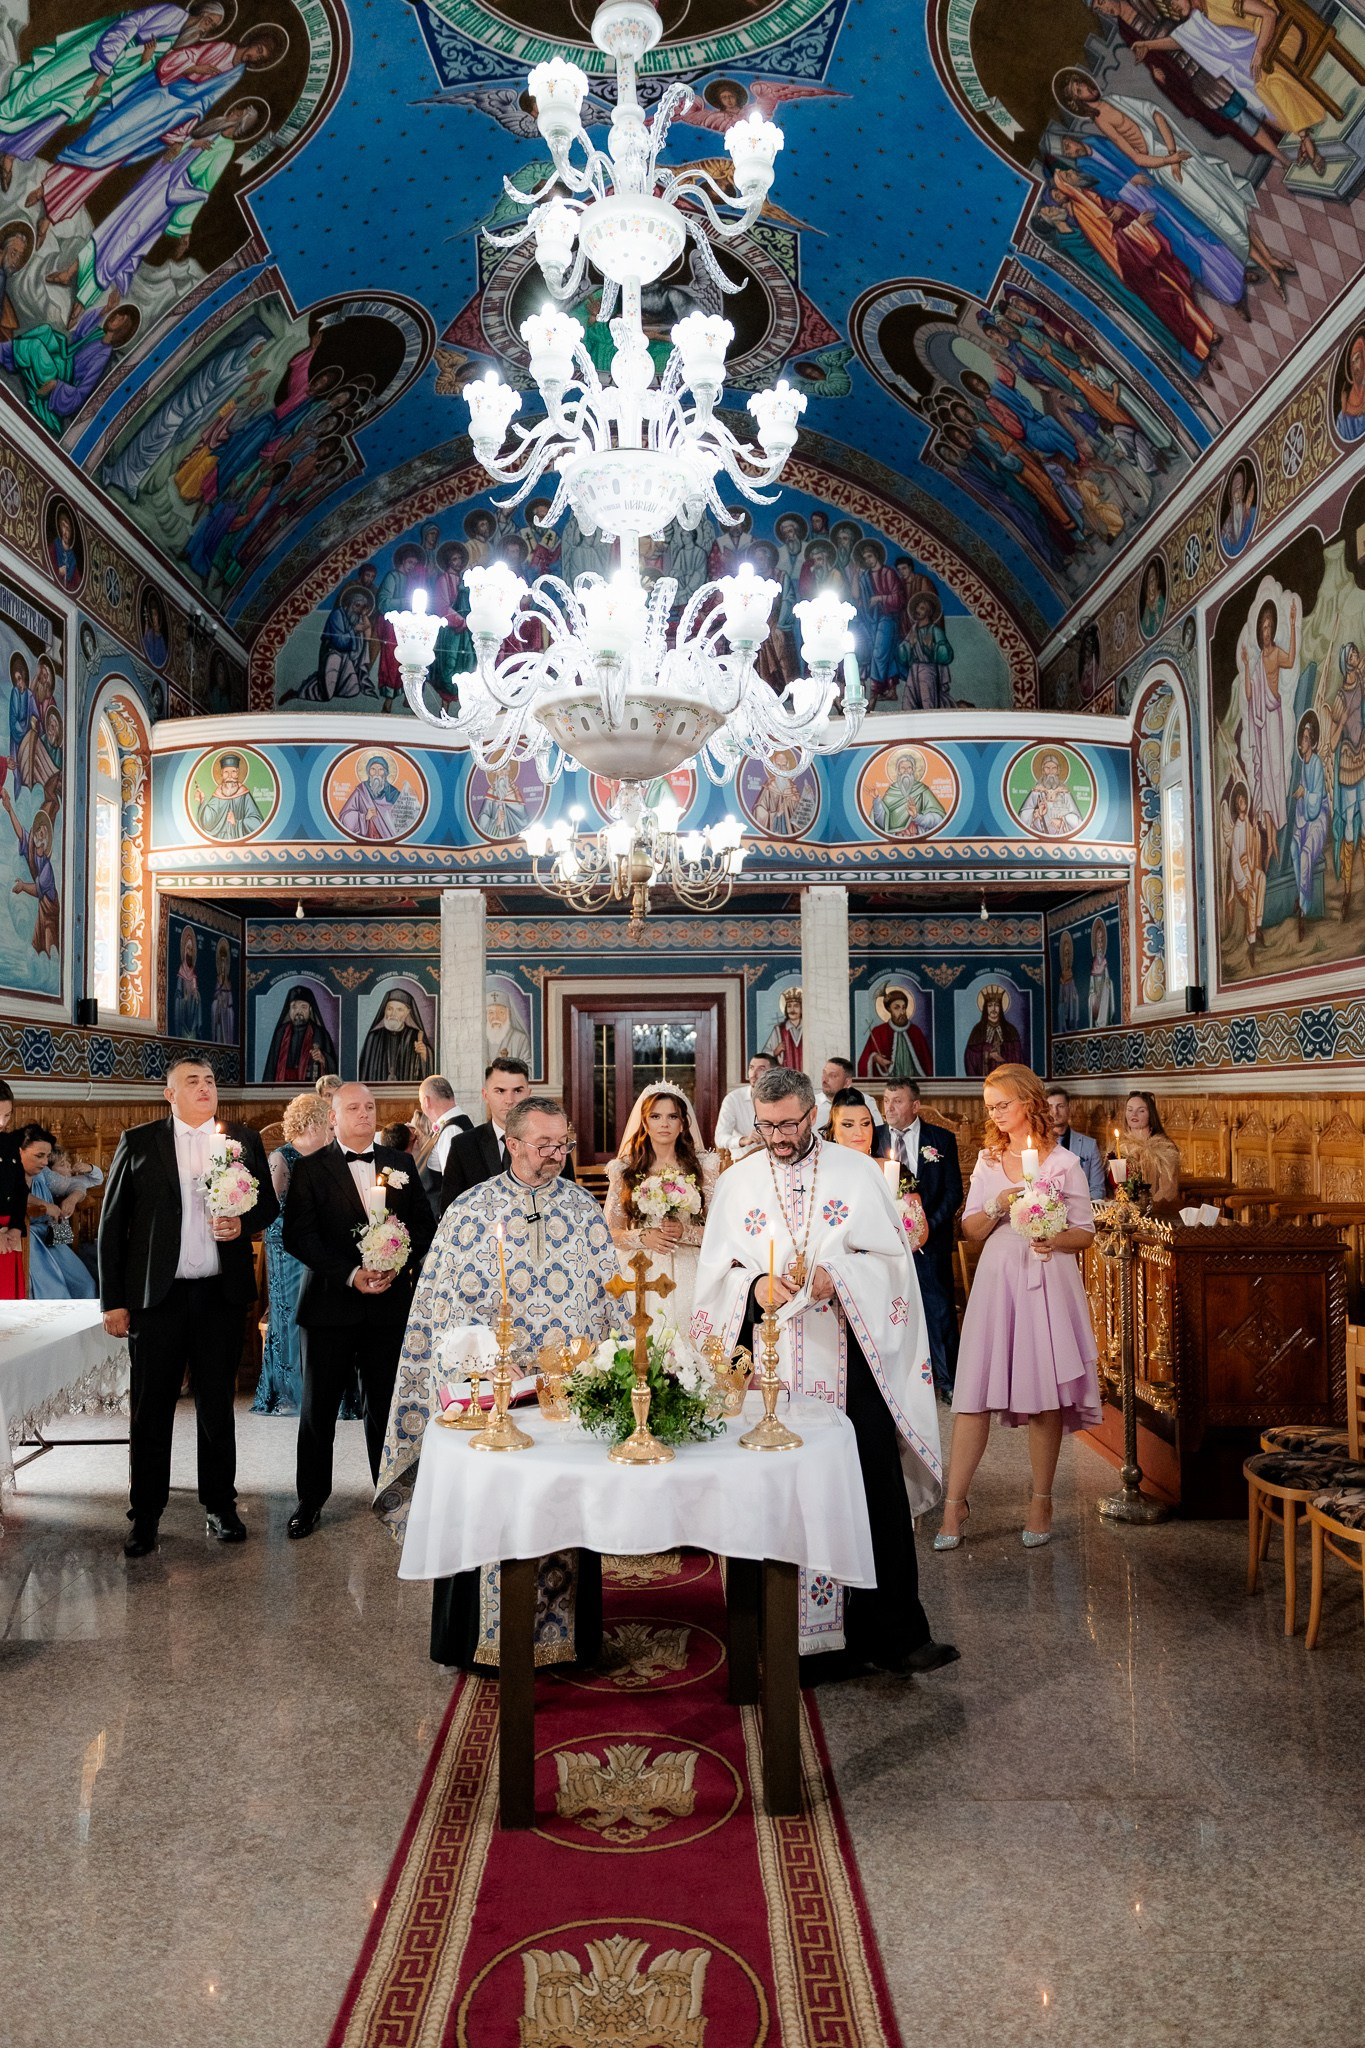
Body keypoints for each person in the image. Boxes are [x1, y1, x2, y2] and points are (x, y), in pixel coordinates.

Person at [693, 1066, 955, 1682]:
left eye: (789, 1124)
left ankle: (894, 1634)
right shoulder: (736, 1183)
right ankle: (779, 1639)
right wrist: (755, 1284)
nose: (779, 1137)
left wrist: (839, 1276)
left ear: (812, 1114)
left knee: (872, 1486)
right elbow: (715, 1274)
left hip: (850, 1356)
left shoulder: (857, 1174)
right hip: (770, 1364)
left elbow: (893, 1265)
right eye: (767, 1126)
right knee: (773, 1492)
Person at [376, 1096, 619, 1671]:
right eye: (544, 1145)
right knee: (495, 1507)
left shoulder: (584, 1209)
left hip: (564, 1399)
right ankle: (479, 1643)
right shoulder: (470, 1211)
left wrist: (596, 1362)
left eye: (563, 1144)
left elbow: (609, 1300)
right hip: (493, 1400)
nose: (556, 1155)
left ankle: (569, 1643)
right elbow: (441, 1310)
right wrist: (485, 1360)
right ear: (511, 1143)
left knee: (562, 1504)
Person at [98, 1054, 277, 1557]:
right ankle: (145, 1514)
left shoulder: (241, 1139)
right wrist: (114, 1301)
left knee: (217, 1406)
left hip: (219, 1294)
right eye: (192, 1081)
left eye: (210, 1080)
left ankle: (220, 1504)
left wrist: (242, 1222)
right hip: (159, 1298)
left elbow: (267, 1204)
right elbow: (113, 1225)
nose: (204, 1087)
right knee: (151, 1409)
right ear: (170, 1094)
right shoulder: (140, 1142)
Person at [937, 1065, 1100, 1552]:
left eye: (1002, 1104)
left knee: (1043, 1395)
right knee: (973, 1393)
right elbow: (970, 1231)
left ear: (1029, 1102)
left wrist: (1054, 1237)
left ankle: (1041, 1501)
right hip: (998, 1278)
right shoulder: (988, 1160)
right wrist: (998, 1204)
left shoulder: (1065, 1163)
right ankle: (954, 1504)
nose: (995, 1114)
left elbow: (1084, 1232)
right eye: (990, 1107)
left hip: (1047, 1278)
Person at [281, 1082, 435, 1539]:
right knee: (318, 1409)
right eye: (353, 1107)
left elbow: (423, 1226)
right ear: (333, 1117)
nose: (365, 1114)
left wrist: (395, 1263)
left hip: (387, 1304)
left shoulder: (400, 1163)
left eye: (370, 1106)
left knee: (385, 1406)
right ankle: (310, 1499)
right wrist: (351, 1274)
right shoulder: (310, 1168)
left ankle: (390, 1493)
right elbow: (299, 1236)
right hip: (329, 1305)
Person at [605, 1087, 718, 1336]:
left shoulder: (703, 1167)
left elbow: (719, 1232)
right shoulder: (625, 1169)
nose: (664, 1124)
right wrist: (643, 1236)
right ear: (644, 1122)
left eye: (672, 1116)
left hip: (690, 1265)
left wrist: (684, 1231)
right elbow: (609, 1233)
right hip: (639, 1266)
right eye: (655, 1116)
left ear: (683, 1124)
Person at [879, 1080, 964, 1399]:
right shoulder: (874, 1137)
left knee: (939, 1311)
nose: (889, 1107)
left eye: (897, 1101)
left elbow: (953, 1191)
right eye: (886, 1100)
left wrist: (925, 1228)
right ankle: (891, 1382)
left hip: (930, 1243)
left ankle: (949, 1382)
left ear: (915, 1106)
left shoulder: (940, 1139)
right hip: (884, 1244)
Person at [252, 1092, 332, 1416]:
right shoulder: (282, 1156)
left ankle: (319, 1388)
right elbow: (270, 1208)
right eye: (327, 1122)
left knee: (319, 1315)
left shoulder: (328, 1155)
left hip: (319, 1245)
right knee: (291, 1314)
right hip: (286, 1247)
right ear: (312, 1122)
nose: (331, 1129)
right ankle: (289, 1391)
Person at [439, 1056, 577, 1209]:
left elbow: (568, 1198)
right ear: (485, 1095)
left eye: (518, 1090)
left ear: (528, 1094)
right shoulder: (463, 1145)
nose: (509, 1100)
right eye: (500, 1091)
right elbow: (450, 1208)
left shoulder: (553, 1145)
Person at [19, 1122, 96, 1299]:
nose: (45, 1162)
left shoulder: (43, 1173)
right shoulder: (8, 1173)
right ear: (21, 1152)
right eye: (39, 1156)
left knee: (85, 1285)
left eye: (47, 1156)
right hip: (25, 1240)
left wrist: (72, 1199)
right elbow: (14, 1196)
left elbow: (76, 1184)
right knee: (53, 1292)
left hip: (50, 1237)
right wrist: (45, 1205)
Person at [414, 1073, 473, 1209]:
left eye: (421, 1102)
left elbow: (453, 1183)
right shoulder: (451, 1126)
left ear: (426, 1101)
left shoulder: (451, 1130)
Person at [1112, 1092, 1182, 1206]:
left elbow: (1168, 1189)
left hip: (1156, 1210)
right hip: (1125, 1210)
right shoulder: (1120, 1148)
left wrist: (1146, 1208)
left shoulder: (1164, 1148)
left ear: (1150, 1114)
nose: (1134, 1114)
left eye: (1141, 1111)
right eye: (1130, 1110)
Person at [262, 986, 338, 1086]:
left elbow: (334, 1068)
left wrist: (323, 1058)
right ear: (289, 1010)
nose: (298, 1011)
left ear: (310, 1009)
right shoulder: (281, 1033)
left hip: (310, 1088)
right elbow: (271, 1068)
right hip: (282, 1087)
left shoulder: (320, 1033)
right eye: (294, 1007)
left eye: (303, 1007)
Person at [358, 987, 432, 1085]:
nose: (393, 1014)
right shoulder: (374, 1037)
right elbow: (364, 1075)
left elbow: (429, 1077)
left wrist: (425, 1055)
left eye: (399, 1010)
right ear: (384, 1010)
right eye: (389, 1009)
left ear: (407, 1013)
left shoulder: (415, 1036)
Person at [857, 984, 932, 1080]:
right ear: (889, 1009)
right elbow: (863, 1062)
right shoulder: (879, 1032)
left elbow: (927, 1064)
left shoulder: (915, 1031)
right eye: (897, 1008)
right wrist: (875, 1058)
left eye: (904, 1007)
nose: (902, 1012)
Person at [1045, 1087, 1107, 1203]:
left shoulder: (1089, 1145)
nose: (1055, 1112)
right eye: (1050, 1107)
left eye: (1060, 1106)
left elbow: (1098, 1189)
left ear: (1069, 1108)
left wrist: (1081, 1208)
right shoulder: (1037, 1145)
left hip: (1082, 1207)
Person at [713, 1052, 775, 1156]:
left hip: (776, 1161)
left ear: (772, 1073)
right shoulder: (733, 1099)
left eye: (761, 1069)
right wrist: (743, 1140)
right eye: (751, 1068)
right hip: (741, 1161)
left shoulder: (782, 1099)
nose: (753, 1074)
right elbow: (720, 1138)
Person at [0, 1081, 25, 1297]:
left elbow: (20, 1188)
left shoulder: (9, 1143)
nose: (2, 1122)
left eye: (7, 1115)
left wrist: (16, 1226)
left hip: (9, 1236)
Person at [813, 1055, 883, 1131]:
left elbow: (879, 1133)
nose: (825, 1079)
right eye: (824, 1073)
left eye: (833, 1075)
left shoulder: (865, 1102)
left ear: (847, 1082)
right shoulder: (812, 1103)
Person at [822, 1086, 876, 1151]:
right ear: (833, 1131)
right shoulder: (822, 1157)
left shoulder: (885, 1157)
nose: (859, 1133)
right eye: (848, 1125)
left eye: (865, 1123)